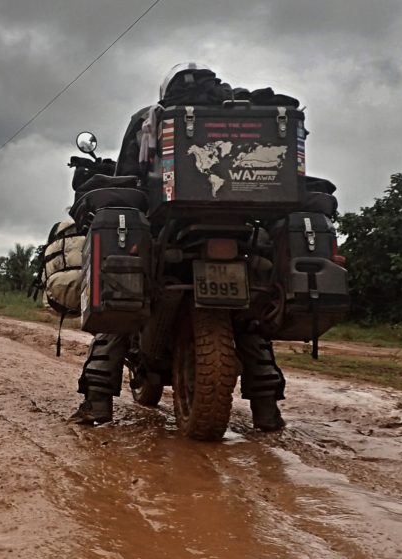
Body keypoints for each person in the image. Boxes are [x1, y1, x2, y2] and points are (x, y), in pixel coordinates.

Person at [69, 63, 287, 432]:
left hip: (167, 233)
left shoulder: (148, 119)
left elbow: (128, 175)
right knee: (248, 320)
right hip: (239, 233)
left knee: (123, 307)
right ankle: (267, 411)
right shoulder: (252, 119)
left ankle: (97, 403)